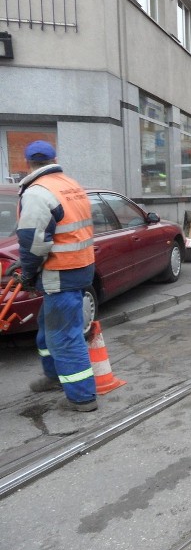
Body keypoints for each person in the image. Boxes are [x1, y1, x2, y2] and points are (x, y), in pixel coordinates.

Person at [15, 141, 98, 411]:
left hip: (61, 272)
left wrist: (27, 272)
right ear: (54, 158)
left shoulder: (38, 192)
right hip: (79, 266)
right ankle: (54, 376)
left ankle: (82, 397)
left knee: (64, 335)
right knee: (49, 327)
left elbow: (34, 241)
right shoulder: (70, 185)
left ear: (27, 163)